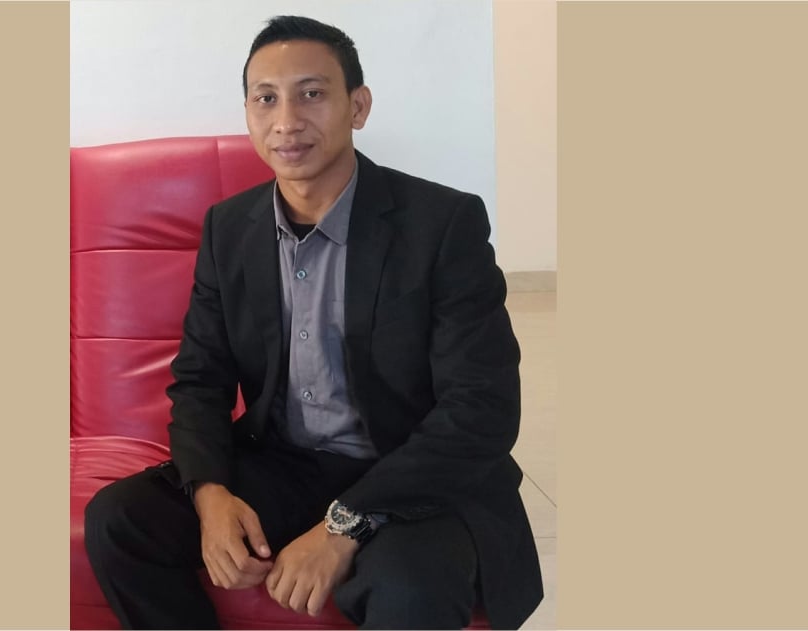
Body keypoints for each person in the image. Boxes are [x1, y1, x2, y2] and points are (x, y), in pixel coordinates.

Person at [84, 15, 543, 630]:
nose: (287, 121)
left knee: (412, 588)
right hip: (285, 461)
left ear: (358, 106)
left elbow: (482, 408)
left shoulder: (441, 225)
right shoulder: (229, 229)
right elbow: (200, 380)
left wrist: (342, 526)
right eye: (266, 98)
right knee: (120, 520)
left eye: (311, 93)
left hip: (408, 470)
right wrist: (210, 492)